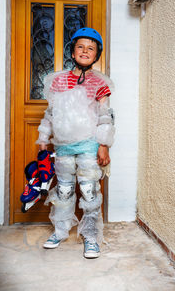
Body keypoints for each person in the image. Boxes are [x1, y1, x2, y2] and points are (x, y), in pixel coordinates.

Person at [36, 27, 115, 258]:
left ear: (96, 55)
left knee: (89, 191)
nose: (85, 51)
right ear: (72, 52)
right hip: (63, 146)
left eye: (91, 48)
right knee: (64, 190)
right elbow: (51, 113)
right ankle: (60, 230)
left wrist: (103, 145)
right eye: (80, 46)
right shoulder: (58, 81)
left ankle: (91, 236)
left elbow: (105, 117)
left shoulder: (99, 84)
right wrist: (43, 138)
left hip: (89, 145)